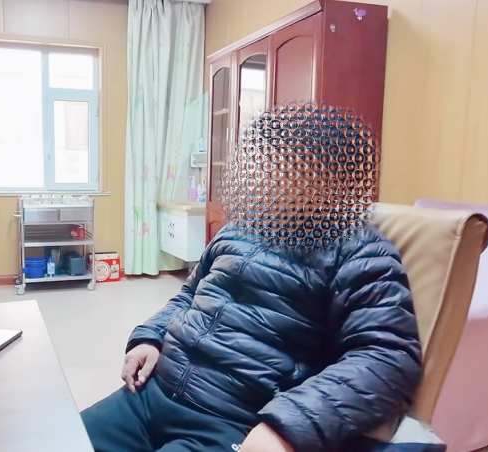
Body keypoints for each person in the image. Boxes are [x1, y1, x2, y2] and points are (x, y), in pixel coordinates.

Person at [81, 106, 423, 452]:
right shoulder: (238, 227)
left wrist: (288, 424)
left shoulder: (360, 250)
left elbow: (387, 356)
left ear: (329, 177)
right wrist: (150, 337)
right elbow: (188, 296)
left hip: (232, 422)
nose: (266, 175)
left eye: (287, 166)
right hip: (150, 394)